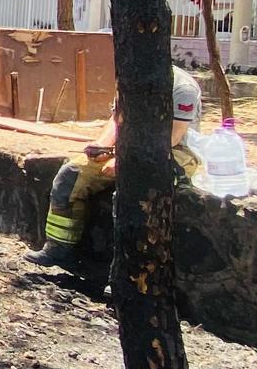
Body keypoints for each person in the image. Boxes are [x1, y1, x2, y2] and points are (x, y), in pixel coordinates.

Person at [26, 66, 204, 271]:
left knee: (135, 192)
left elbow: (171, 137)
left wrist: (125, 161)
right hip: (129, 146)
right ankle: (59, 248)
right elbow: (117, 118)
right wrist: (102, 146)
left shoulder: (183, 88)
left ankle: (128, 271)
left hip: (173, 152)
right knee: (72, 175)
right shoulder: (131, 77)